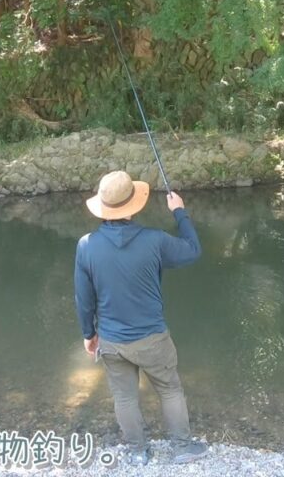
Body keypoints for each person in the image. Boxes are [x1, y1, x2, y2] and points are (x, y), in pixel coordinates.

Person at [74, 170, 209, 465]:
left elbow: (84, 298)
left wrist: (89, 334)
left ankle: (137, 453)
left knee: (124, 398)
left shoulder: (86, 245)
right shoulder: (156, 241)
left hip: (111, 340)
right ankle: (182, 447)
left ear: (103, 208)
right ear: (134, 204)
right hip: (152, 339)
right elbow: (192, 251)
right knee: (170, 389)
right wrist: (180, 212)